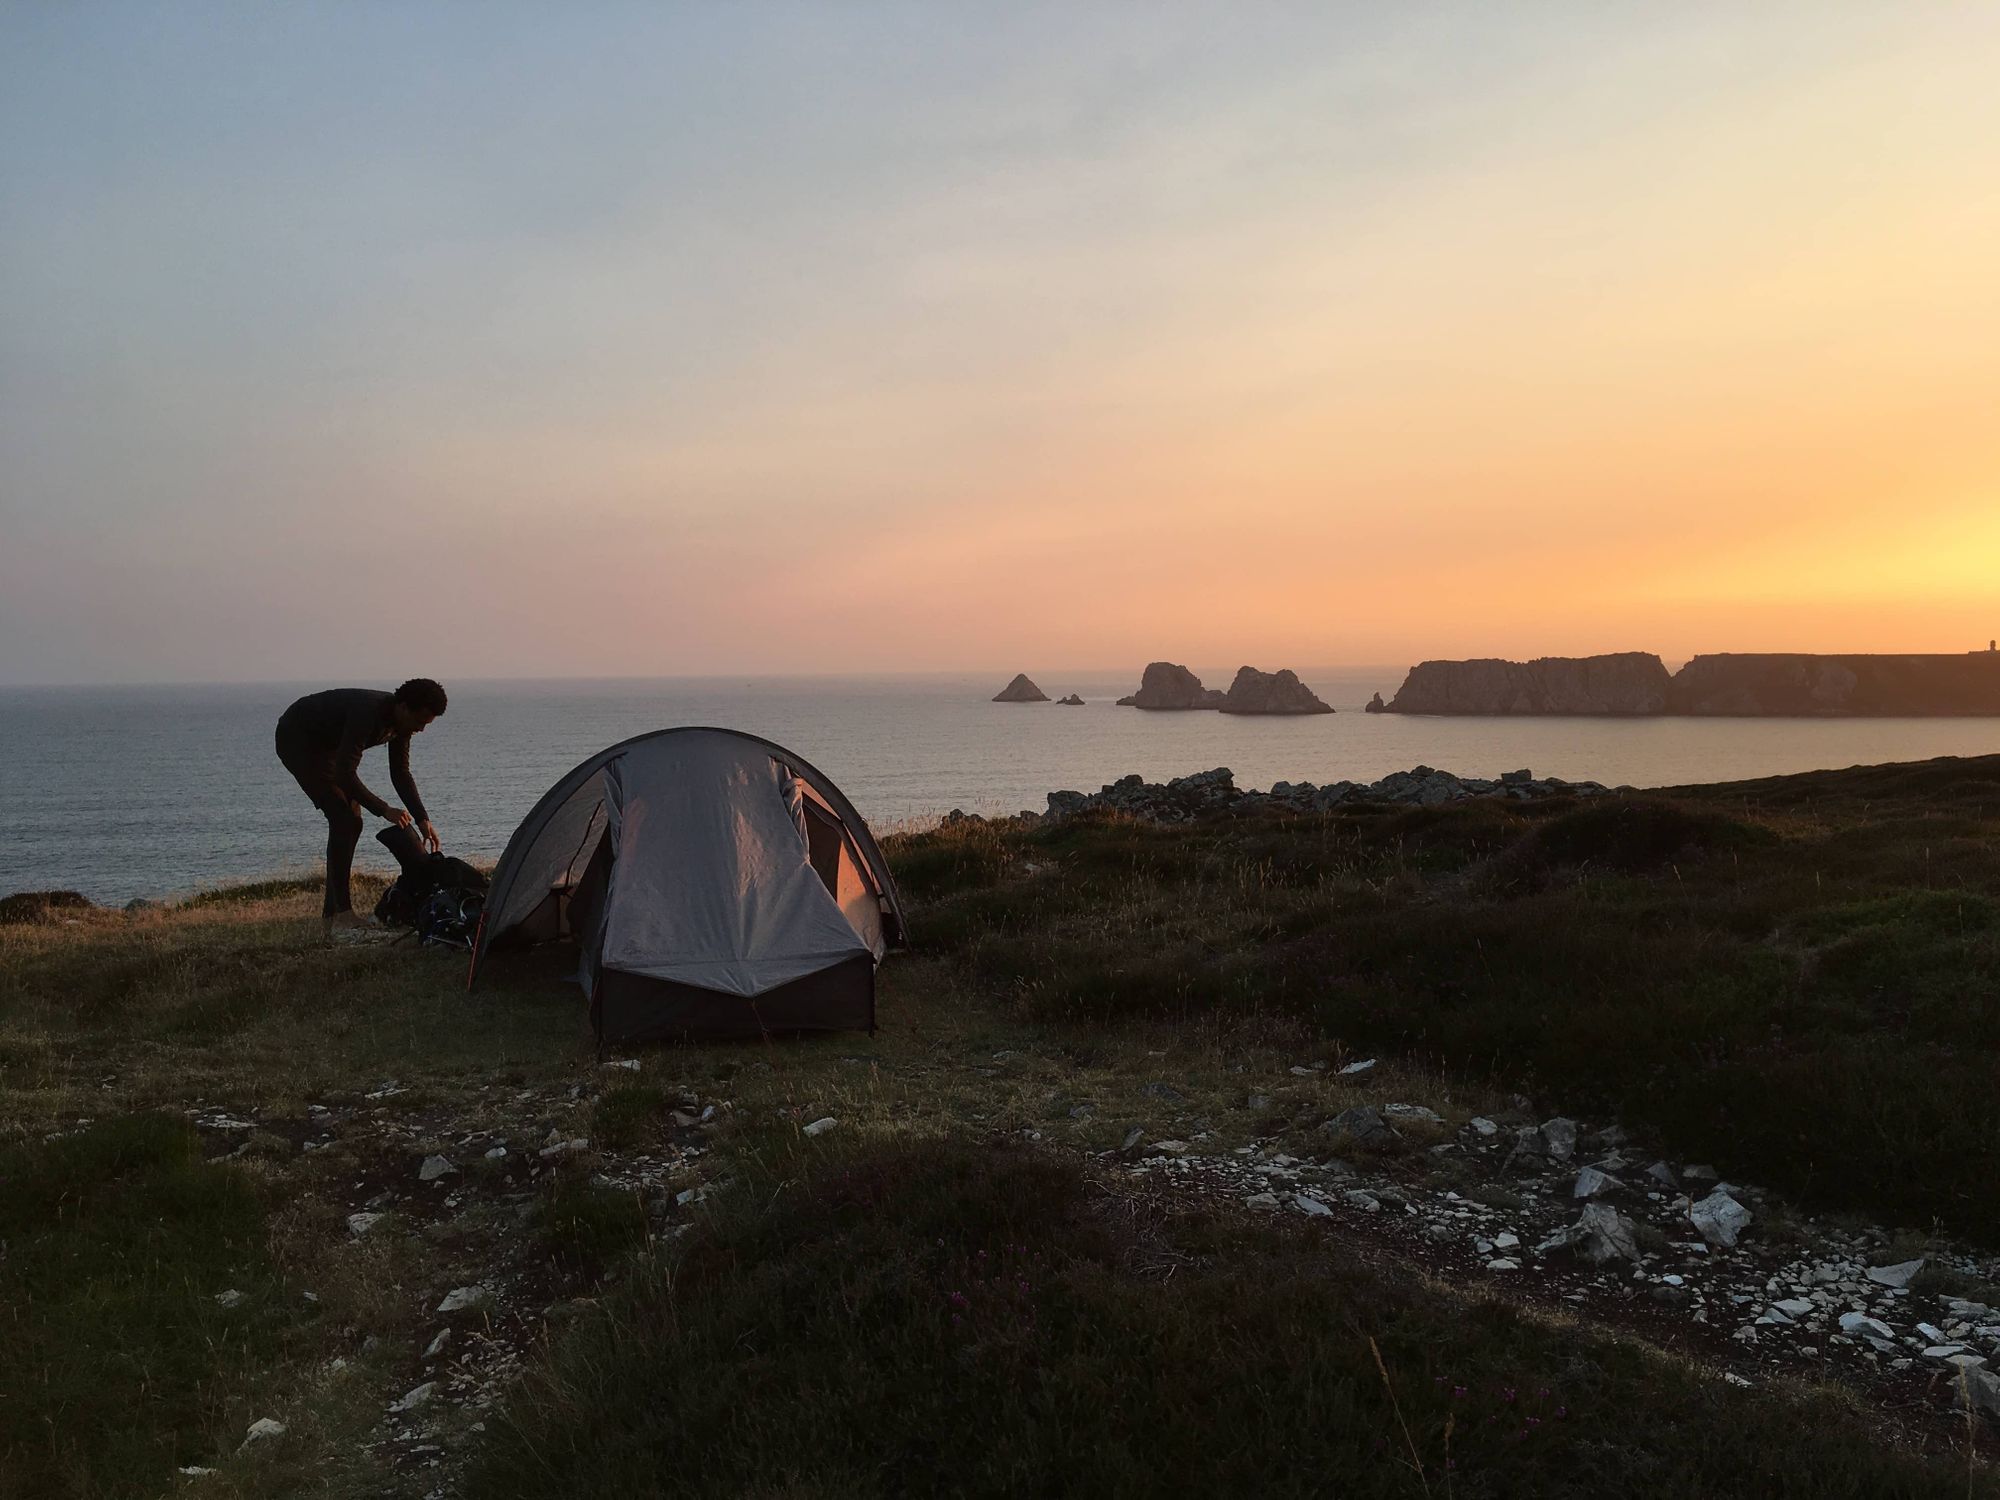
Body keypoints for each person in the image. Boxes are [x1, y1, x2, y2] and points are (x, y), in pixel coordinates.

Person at [274, 678, 448, 932]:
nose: (421, 729)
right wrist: (384, 808)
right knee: (345, 819)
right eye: (420, 721)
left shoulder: (402, 726)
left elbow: (400, 772)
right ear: (403, 707)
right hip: (298, 739)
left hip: (328, 747)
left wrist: (423, 818)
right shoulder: (367, 712)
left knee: (350, 821)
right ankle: (342, 915)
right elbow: (345, 774)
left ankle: (332, 916)